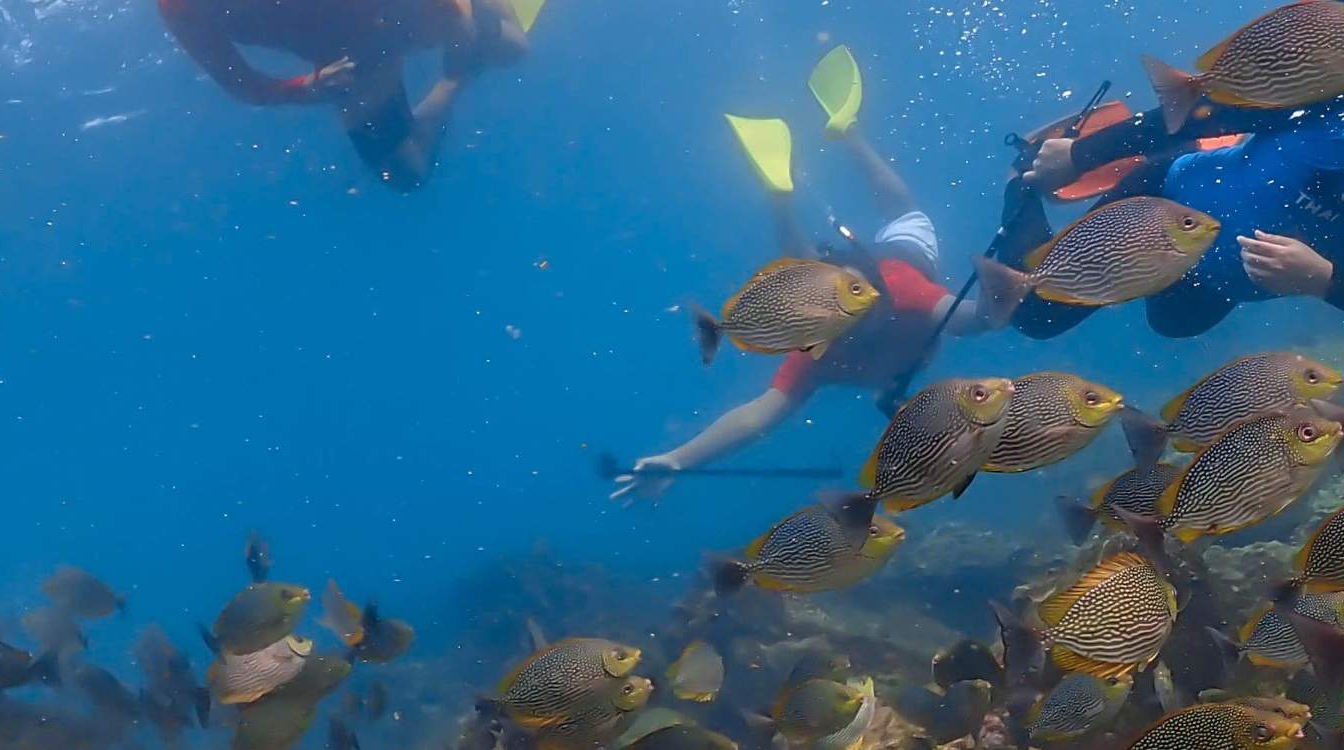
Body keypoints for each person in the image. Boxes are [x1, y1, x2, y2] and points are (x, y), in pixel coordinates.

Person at [1007, 0, 1344, 339]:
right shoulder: (1334, 85)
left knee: (1174, 324)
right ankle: (1018, 189)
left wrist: (1326, 282)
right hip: (1166, 203)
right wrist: (1077, 156)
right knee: (1036, 317)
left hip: (1216, 283)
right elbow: (1203, 110)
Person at [610, 126, 1006, 505]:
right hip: (857, 274)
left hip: (905, 254)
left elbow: (974, 318)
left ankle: (847, 137)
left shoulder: (907, 294)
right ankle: (779, 198)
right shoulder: (817, 348)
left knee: (904, 213)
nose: (849, 320)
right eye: (832, 315)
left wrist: (1000, 286)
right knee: (818, 277)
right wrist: (680, 459)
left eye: (864, 308)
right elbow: (756, 417)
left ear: (883, 297)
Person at [156, 0, 532, 192]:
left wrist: (458, 21)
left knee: (514, 49)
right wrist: (307, 86)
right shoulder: (180, 6)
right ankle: (453, 84)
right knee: (405, 176)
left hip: (407, 14)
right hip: (351, 61)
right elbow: (242, 84)